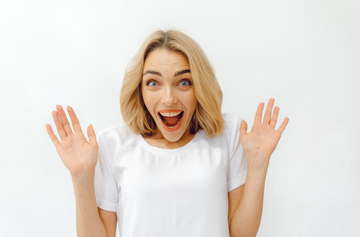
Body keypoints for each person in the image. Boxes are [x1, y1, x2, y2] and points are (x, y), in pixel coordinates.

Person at [45, 29, 289, 237]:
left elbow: (240, 233)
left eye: (184, 82)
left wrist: (258, 164)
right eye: (153, 83)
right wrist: (81, 177)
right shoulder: (113, 144)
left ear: (199, 87)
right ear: (139, 90)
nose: (169, 98)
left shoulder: (227, 134)